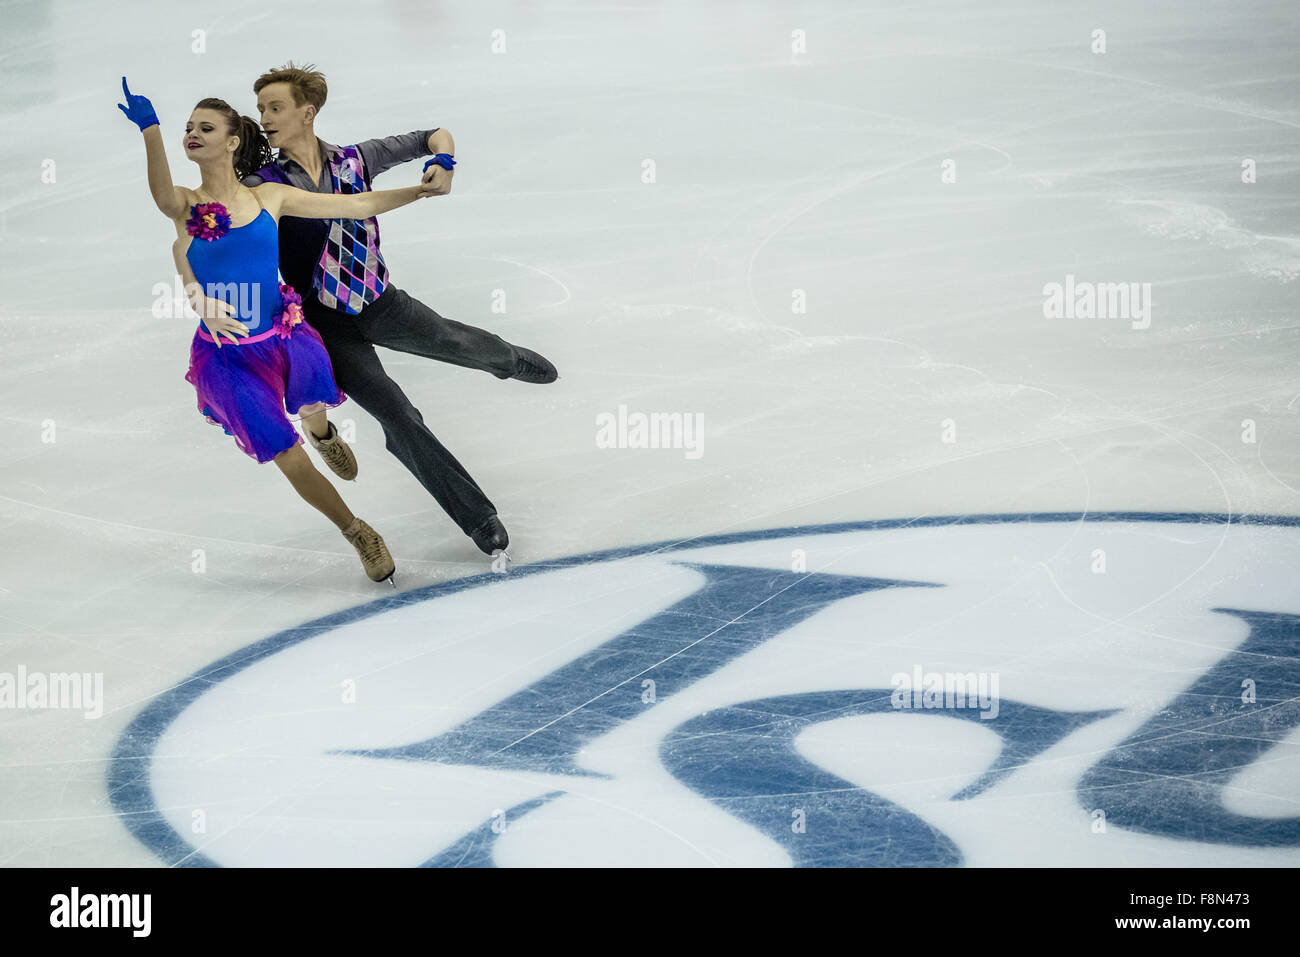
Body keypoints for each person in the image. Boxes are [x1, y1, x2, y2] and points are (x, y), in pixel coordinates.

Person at [118, 78, 439, 584]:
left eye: (205, 127)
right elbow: (164, 202)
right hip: (228, 356)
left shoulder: (270, 197)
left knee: (311, 402)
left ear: (231, 141)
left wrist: (417, 192)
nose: (192, 134)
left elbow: (354, 206)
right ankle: (357, 531)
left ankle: (323, 430)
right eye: (188, 129)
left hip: (284, 333)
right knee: (283, 451)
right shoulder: (188, 207)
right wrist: (151, 130)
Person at [241, 62, 557, 560]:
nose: (265, 117)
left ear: (308, 112)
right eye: (261, 109)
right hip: (326, 325)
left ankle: (506, 360)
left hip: (383, 302)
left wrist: (445, 163)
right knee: (399, 416)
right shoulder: (265, 182)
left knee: (457, 342)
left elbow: (435, 135)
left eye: (275, 107)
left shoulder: (357, 159)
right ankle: (478, 517)